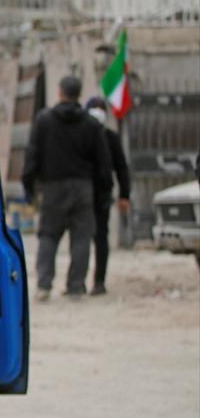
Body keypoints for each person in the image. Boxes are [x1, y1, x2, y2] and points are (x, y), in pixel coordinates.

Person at [22, 76, 110, 301]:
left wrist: (29, 185)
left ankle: (44, 285)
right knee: (81, 238)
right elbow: (103, 163)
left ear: (60, 92)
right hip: (83, 187)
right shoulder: (91, 124)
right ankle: (76, 286)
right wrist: (103, 194)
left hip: (52, 187)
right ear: (79, 94)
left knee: (49, 235)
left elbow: (32, 154)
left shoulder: (44, 120)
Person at [84, 96, 132, 295]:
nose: (98, 112)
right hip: (82, 195)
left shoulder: (111, 137)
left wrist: (124, 195)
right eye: (94, 108)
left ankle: (99, 281)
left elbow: (121, 167)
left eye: (101, 108)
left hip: (101, 195)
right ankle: (76, 281)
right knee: (80, 239)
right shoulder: (80, 134)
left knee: (101, 238)